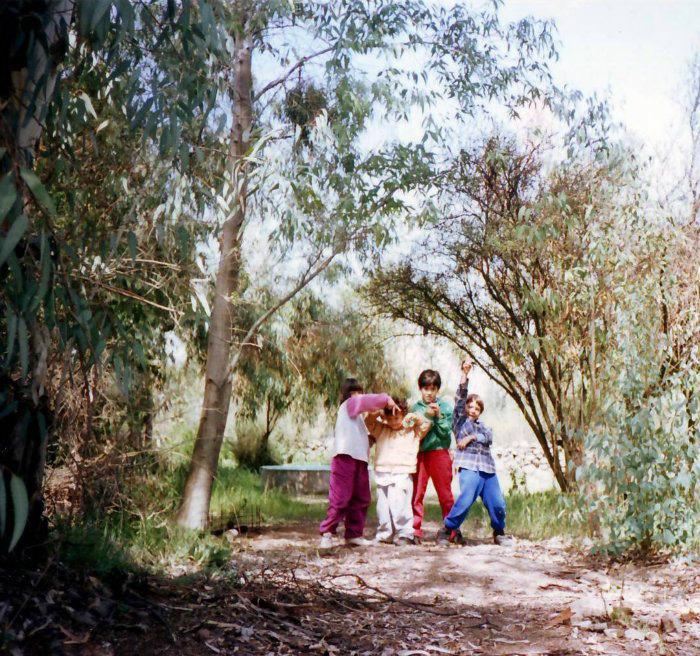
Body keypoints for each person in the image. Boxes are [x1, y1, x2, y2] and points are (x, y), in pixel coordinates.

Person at [436, 359, 513, 547]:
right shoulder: (460, 423)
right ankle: (447, 530)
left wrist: (471, 438)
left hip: (487, 469)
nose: (473, 410)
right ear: (464, 409)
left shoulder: (484, 427)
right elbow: (460, 398)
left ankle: (499, 532)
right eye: (470, 407)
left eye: (477, 408)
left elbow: (488, 437)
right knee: (466, 498)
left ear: (480, 411)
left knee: (497, 503)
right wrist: (464, 374)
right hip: (469, 467)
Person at [319, 378, 397, 549]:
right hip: (344, 458)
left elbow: (360, 439)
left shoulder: (357, 419)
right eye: (354, 392)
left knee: (361, 497)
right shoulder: (349, 404)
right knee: (340, 498)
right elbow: (367, 401)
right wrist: (386, 399)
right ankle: (327, 533)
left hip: (359, 461)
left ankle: (354, 534)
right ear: (348, 394)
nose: (358, 395)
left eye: (359, 391)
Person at [365, 397, 433, 545]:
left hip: (402, 472)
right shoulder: (381, 429)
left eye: (397, 417)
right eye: (390, 418)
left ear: (404, 414)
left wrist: (416, 417)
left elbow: (427, 424)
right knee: (382, 507)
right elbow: (368, 422)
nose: (394, 421)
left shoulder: (412, 431)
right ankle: (385, 534)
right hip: (382, 472)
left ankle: (405, 534)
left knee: (400, 504)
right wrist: (378, 412)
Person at [410, 369, 454, 543]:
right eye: (425, 388)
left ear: (437, 390)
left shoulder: (445, 408)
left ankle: (451, 529)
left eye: (433, 389)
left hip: (439, 453)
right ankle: (414, 530)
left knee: (445, 493)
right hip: (420, 454)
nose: (429, 392)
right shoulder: (415, 408)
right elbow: (412, 432)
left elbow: (445, 433)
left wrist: (437, 416)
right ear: (420, 388)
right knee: (417, 493)